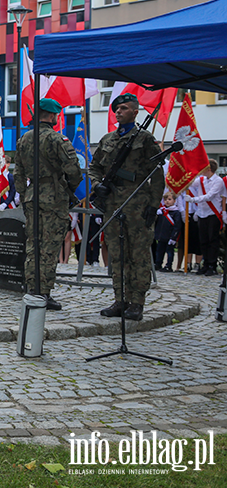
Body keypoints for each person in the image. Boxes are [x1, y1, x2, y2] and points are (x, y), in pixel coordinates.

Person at [89, 93, 163, 321]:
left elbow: (157, 174)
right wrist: (98, 185)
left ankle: (137, 302)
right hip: (112, 203)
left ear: (135, 112)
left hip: (137, 203)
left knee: (138, 253)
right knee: (118, 254)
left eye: (123, 108)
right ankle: (120, 300)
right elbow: (94, 167)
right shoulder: (108, 139)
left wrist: (153, 205)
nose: (118, 112)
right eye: (117, 109)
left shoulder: (145, 139)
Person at [14, 98, 82, 310]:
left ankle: (31, 288)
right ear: (52, 116)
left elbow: (18, 173)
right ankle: (43, 292)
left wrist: (26, 195)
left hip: (32, 196)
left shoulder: (24, 139)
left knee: (33, 244)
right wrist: (67, 187)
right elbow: (74, 170)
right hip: (53, 197)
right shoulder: (56, 139)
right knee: (50, 246)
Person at [185, 159, 227, 276]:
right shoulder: (202, 179)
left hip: (213, 214)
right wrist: (188, 172)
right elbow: (191, 183)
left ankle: (212, 266)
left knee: (212, 240)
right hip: (203, 213)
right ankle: (205, 264)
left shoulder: (218, 181)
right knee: (203, 240)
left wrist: (193, 200)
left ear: (209, 169)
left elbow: (209, 196)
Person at [154, 191, 182, 273]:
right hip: (161, 235)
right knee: (159, 251)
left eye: (169, 199)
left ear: (174, 201)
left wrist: (174, 237)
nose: (167, 201)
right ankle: (158, 263)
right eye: (165, 199)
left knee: (170, 252)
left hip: (170, 236)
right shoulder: (161, 211)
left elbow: (177, 226)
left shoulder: (176, 213)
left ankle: (168, 265)